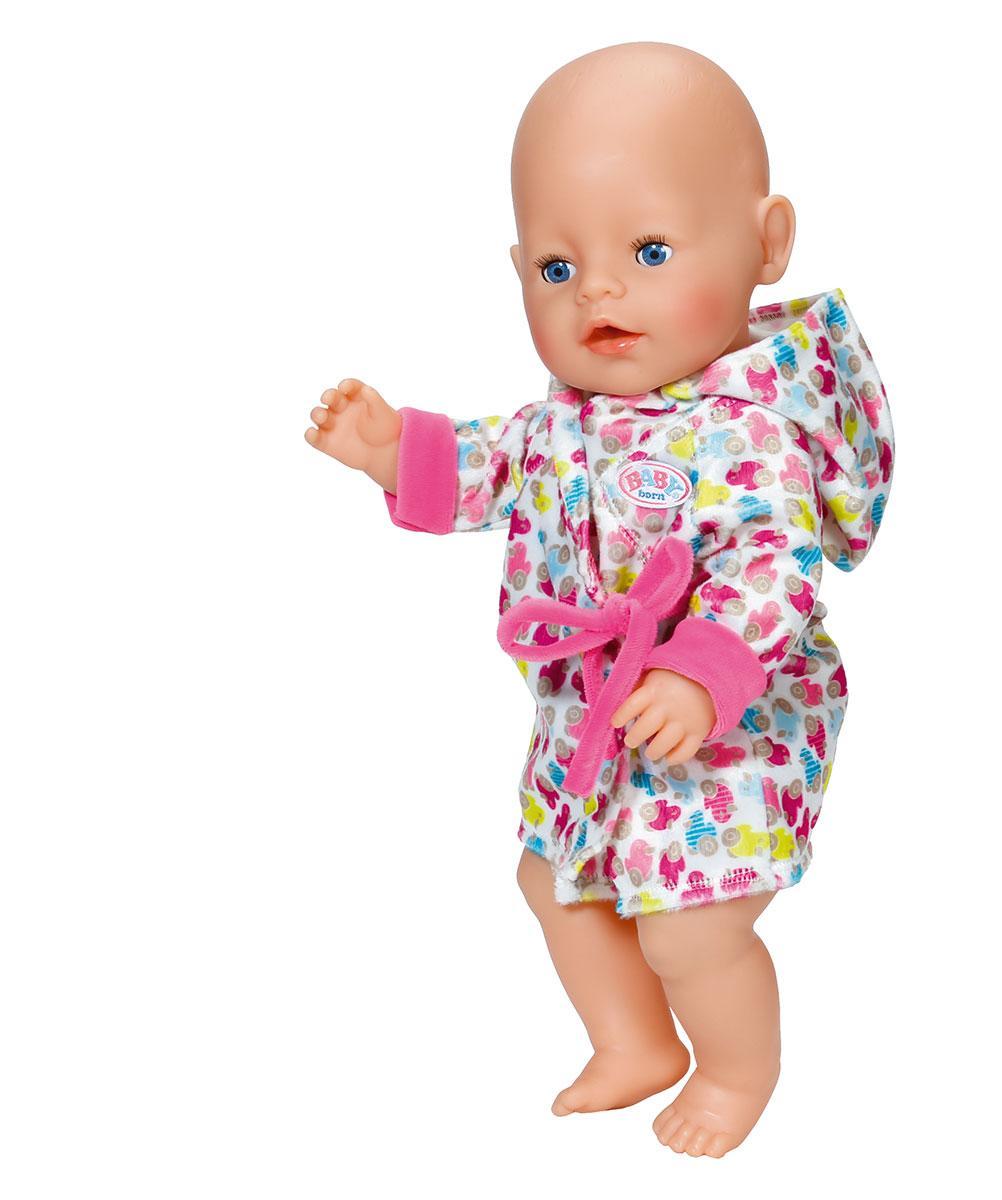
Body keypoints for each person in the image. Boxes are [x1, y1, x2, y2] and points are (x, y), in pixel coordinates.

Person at [304, 41, 894, 1159]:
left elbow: (769, 567)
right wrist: (391, 453)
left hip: (732, 725)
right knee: (554, 885)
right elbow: (485, 463)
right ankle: (634, 1043)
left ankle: (736, 1069)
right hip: (591, 719)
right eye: (556, 266)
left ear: (766, 244)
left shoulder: (751, 431)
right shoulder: (560, 421)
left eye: (651, 250)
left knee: (688, 927)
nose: (599, 290)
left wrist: (702, 672)